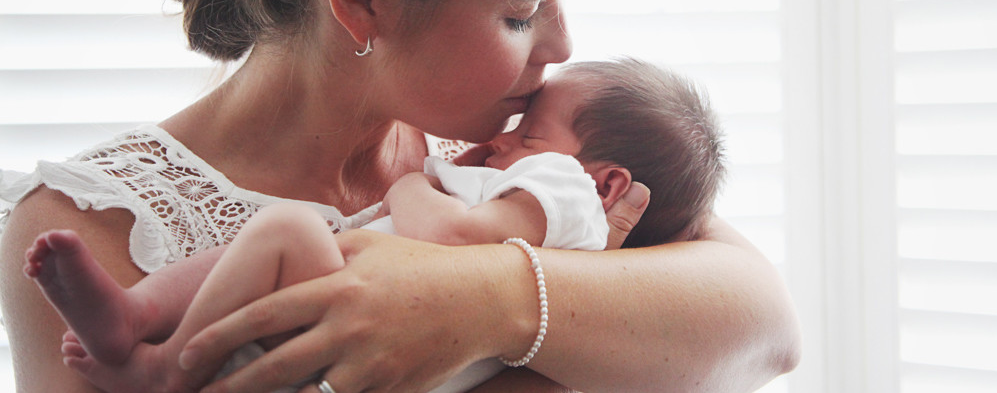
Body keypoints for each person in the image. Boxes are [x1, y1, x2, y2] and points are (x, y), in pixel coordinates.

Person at [0, 0, 801, 391]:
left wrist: (483, 296)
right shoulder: (88, 220)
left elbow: (766, 324)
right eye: (521, 11)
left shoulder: (507, 152)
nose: (562, 47)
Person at [23, 58, 728, 392]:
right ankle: (138, 315)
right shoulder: (553, 193)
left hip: (352, 334)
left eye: (531, 131)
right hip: (340, 342)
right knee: (286, 241)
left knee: (290, 232)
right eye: (518, 10)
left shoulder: (565, 193)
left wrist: (413, 181)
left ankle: (164, 356)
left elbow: (448, 236)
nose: (507, 137)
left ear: (603, 181)